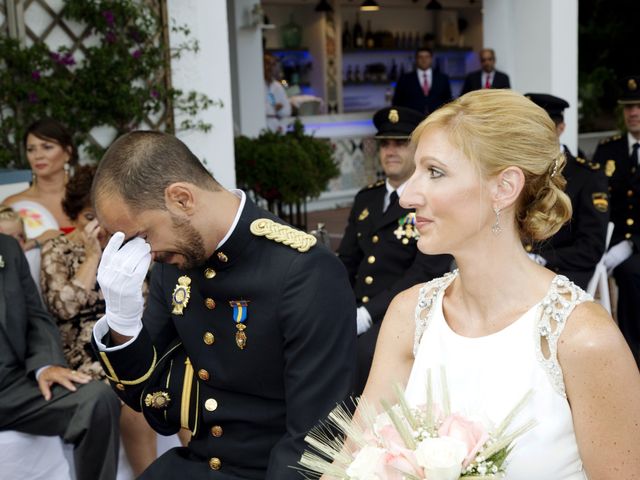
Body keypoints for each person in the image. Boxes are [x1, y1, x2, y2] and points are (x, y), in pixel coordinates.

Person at [352, 89, 640, 478]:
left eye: (434, 172)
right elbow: (348, 462)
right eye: (416, 171)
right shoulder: (409, 315)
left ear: (504, 188)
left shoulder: (583, 339)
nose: (409, 196)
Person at [90, 131, 356, 479]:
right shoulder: (174, 263)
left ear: (182, 199)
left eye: (141, 238)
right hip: (198, 466)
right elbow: (148, 399)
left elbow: (316, 438)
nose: (145, 254)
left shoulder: (303, 271)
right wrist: (123, 323)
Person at [40, 165, 158, 476]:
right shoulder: (58, 249)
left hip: (127, 345)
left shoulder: (126, 251)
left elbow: (143, 305)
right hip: (82, 355)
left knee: (167, 382)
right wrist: (93, 256)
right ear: (73, 216)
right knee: (136, 401)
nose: (98, 227)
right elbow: (60, 308)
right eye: (88, 218)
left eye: (101, 218)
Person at [337, 106, 452, 395]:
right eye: (385, 144)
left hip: (402, 311)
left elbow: (426, 273)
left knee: (363, 353)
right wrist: (339, 306)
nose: (391, 151)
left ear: (416, 149)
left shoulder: (431, 201)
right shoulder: (367, 198)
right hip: (356, 308)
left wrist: (367, 313)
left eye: (400, 143)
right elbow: (347, 261)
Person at [0, 233, 120, 480]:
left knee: (96, 399)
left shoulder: (7, 247)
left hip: (12, 385)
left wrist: (46, 364)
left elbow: (35, 315)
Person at [523, 93, 609, 289]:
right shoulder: (519, 170)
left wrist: (542, 258)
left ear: (561, 128)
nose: (535, 133)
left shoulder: (587, 176)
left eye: (543, 126)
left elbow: (591, 247)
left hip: (562, 269)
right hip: (519, 266)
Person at [592, 75, 640, 365]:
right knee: (629, 274)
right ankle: (629, 353)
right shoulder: (609, 150)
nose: (633, 113)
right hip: (615, 241)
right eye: (628, 107)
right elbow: (598, 202)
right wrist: (605, 243)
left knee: (633, 273)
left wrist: (632, 244)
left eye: (637, 106)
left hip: (635, 245)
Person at [2, 118, 76, 245]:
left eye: (47, 147)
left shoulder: (89, 198)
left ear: (67, 152)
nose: (38, 156)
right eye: (31, 149)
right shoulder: (13, 205)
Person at [392, 46, 452, 115]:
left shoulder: (443, 78)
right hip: (411, 120)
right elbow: (397, 102)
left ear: (431, 59)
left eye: (427, 57)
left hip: (437, 119)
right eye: (420, 57)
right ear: (416, 59)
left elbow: (449, 102)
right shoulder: (404, 79)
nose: (424, 60)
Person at [264, 53, 292, 133]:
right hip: (262, 128)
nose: (269, 68)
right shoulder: (257, 85)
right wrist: (274, 109)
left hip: (277, 128)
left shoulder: (278, 86)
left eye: (273, 65)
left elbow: (287, 111)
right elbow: (257, 110)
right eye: (267, 64)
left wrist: (274, 111)